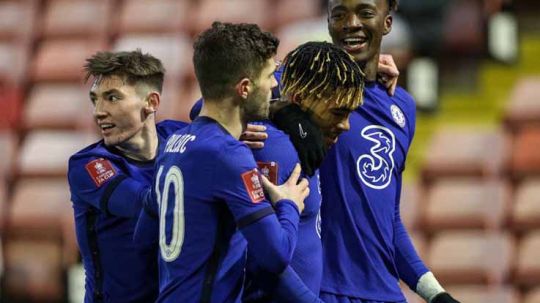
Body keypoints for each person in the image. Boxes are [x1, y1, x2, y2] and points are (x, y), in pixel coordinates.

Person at [135, 22, 309, 303]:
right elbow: (275, 256)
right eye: (268, 76)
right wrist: (288, 204)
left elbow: (143, 239)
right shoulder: (228, 154)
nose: (275, 84)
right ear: (244, 88)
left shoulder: (172, 145)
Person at [316, 0, 460, 302]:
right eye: (339, 14)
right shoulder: (303, 90)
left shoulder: (402, 107)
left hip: (386, 294)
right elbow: (214, 105)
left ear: (387, 23)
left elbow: (387, 220)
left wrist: (435, 294)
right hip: (323, 291)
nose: (351, 23)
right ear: (328, 23)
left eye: (365, 13)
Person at [242, 41, 365, 303]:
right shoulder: (270, 146)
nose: (345, 126)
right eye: (338, 113)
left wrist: (281, 109)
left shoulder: (304, 136)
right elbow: (265, 254)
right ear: (298, 100)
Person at [67, 50, 188, 302]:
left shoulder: (177, 136)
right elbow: (145, 203)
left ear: (151, 102)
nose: (98, 111)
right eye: (95, 100)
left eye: (112, 98)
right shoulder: (89, 165)